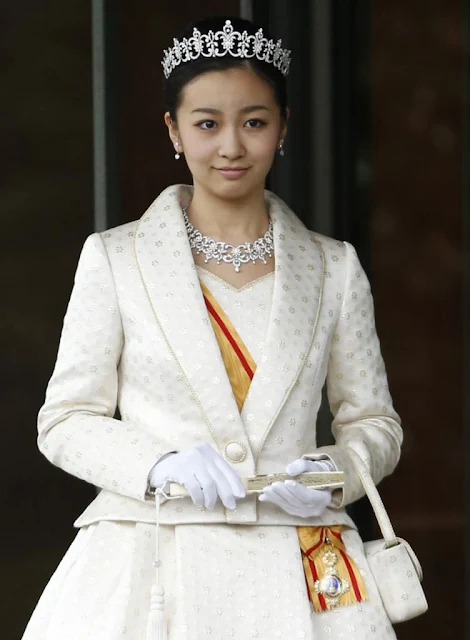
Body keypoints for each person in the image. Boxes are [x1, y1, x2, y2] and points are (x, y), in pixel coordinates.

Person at [22, 15, 403, 640]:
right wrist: (160, 465)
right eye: (207, 124)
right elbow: (65, 420)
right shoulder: (117, 259)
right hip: (151, 559)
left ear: (283, 129)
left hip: (301, 565)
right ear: (174, 130)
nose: (231, 146)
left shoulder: (334, 268)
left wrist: (333, 473)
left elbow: (375, 423)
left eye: (254, 122)